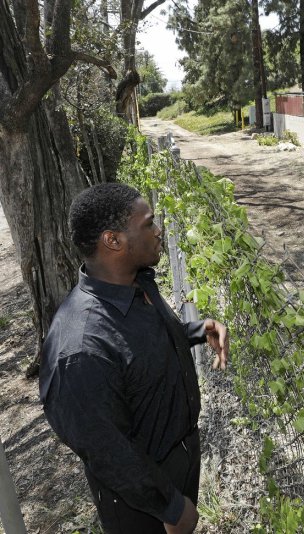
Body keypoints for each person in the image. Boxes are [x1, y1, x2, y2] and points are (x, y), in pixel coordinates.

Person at [39, 183, 229, 533]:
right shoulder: (80, 348)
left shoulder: (134, 283)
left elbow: (139, 349)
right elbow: (107, 450)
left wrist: (197, 331)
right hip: (141, 499)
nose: (159, 230)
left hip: (177, 458)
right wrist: (170, 507)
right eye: (148, 224)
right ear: (113, 241)